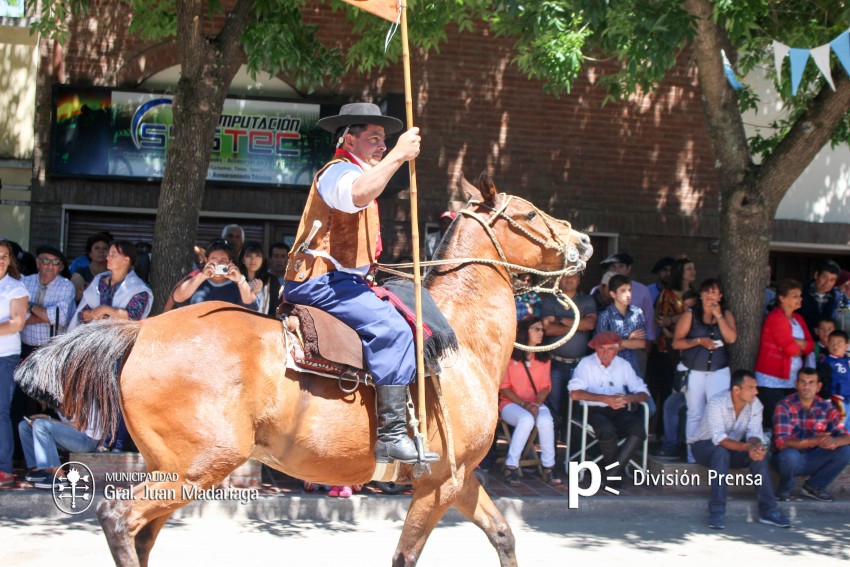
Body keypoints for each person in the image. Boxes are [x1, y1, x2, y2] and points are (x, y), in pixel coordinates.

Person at [281, 102, 435, 464]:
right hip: (320, 280)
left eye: (385, 140)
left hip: (342, 280)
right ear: (348, 139)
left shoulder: (360, 170)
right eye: (374, 138)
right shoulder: (338, 173)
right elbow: (358, 195)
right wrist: (398, 155)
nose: (382, 145)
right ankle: (391, 434)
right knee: (396, 331)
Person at [690, 370, 790, 529]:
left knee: (758, 455)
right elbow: (719, 439)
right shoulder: (717, 402)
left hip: (733, 446)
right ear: (736, 390)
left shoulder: (755, 404)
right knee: (720, 452)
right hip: (704, 446)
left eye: (756, 387)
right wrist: (747, 447)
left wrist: (756, 447)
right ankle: (717, 511)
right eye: (751, 387)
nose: (756, 392)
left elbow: (754, 433)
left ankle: (769, 511)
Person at [569, 332, 650, 485]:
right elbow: (574, 394)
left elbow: (643, 392)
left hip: (619, 409)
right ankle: (613, 474)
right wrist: (605, 399)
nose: (605, 353)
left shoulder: (623, 365)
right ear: (595, 349)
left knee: (638, 429)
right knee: (606, 430)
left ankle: (612, 473)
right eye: (601, 348)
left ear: (618, 349)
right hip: (594, 410)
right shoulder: (586, 364)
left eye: (610, 349)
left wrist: (628, 398)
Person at [675, 279, 737, 461]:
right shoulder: (690, 315)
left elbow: (731, 338)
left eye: (715, 293)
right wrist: (698, 341)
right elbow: (676, 342)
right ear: (701, 295)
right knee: (694, 412)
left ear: (720, 296)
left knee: (716, 412)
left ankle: (712, 452)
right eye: (707, 292)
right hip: (695, 370)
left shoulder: (725, 314)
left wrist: (718, 316)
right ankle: (691, 454)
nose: (711, 296)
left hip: (718, 371)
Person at [498, 317, 562, 487]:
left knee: (546, 420)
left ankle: (549, 467)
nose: (541, 333)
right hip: (511, 404)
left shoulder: (543, 357)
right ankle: (511, 466)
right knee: (525, 420)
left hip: (535, 403)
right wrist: (524, 405)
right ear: (525, 332)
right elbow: (504, 388)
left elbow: (545, 386)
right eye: (536, 329)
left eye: (542, 329)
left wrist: (536, 404)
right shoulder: (510, 357)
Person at [772, 367, 850, 502]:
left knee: (845, 450)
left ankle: (814, 487)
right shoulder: (784, 405)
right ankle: (785, 488)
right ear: (796, 384)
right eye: (802, 382)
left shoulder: (826, 408)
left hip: (813, 457)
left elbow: (846, 436)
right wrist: (816, 441)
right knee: (789, 455)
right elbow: (782, 443)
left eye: (811, 382)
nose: (806, 386)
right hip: (787, 460)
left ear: (818, 386)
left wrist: (833, 441)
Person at [539, 272, 597, 441]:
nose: (569, 279)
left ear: (579, 279)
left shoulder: (587, 300)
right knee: (554, 407)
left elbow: (590, 324)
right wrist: (578, 324)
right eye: (566, 276)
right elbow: (548, 329)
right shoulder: (551, 300)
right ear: (559, 279)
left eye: (573, 276)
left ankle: (573, 449)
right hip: (555, 363)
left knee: (577, 409)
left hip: (579, 365)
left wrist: (563, 320)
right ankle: (552, 451)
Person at [755, 279, 814, 429]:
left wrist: (796, 342)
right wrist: (799, 346)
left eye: (800, 296)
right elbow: (790, 350)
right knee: (778, 418)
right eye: (794, 296)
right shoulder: (776, 317)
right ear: (782, 298)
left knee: (789, 419)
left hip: (791, 378)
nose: (799, 299)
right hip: (772, 379)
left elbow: (811, 345)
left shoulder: (798, 318)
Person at [70, 240, 154, 330]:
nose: (107, 258)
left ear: (126, 260)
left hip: (120, 340)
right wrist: (91, 315)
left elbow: (133, 318)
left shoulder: (138, 288)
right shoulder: (98, 282)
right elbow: (82, 314)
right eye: (109, 254)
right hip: (92, 336)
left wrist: (105, 309)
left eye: (113, 255)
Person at [0, 239, 29, 486]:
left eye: (4, 256)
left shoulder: (15, 287)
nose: (0, 261)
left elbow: (17, 323)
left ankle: (4, 469)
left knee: (0, 414)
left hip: (4, 357)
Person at [599, 252, 656, 375]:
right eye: (613, 267)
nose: (616, 270)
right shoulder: (598, 290)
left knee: (635, 389)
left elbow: (649, 323)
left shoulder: (642, 291)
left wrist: (644, 353)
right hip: (607, 353)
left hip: (636, 353)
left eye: (620, 266)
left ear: (628, 269)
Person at [17, 409, 103, 489]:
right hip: (71, 438)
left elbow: (81, 425)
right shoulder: (59, 397)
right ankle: (41, 470)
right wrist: (47, 418)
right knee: (24, 426)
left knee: (40, 425)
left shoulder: (82, 396)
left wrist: (49, 420)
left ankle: (59, 477)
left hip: (87, 440)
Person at [20, 245, 76, 358]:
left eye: (55, 262)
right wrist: (47, 316)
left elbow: (61, 318)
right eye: (46, 261)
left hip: (52, 350)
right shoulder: (24, 282)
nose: (50, 266)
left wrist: (30, 307)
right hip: (25, 348)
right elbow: (16, 316)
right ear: (37, 263)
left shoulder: (66, 286)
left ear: (60, 266)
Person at [172, 239, 258, 310]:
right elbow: (177, 298)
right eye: (214, 259)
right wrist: (203, 275)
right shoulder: (196, 280)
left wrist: (240, 280)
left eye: (223, 260)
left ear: (230, 262)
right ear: (206, 260)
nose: (218, 263)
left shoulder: (239, 285)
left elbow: (252, 307)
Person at [596, 274, 646, 378]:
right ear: (613, 294)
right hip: (611, 372)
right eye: (623, 291)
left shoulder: (637, 313)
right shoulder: (605, 316)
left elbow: (641, 343)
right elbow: (602, 349)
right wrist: (630, 340)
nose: (628, 294)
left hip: (633, 370)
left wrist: (616, 342)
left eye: (629, 290)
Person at [798, 259, 844, 334]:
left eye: (832, 280)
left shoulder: (839, 297)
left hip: (828, 341)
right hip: (804, 338)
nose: (827, 283)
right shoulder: (799, 293)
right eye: (824, 277)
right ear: (816, 275)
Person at [820, 330, 850, 429]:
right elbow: (824, 383)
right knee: (837, 429)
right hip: (837, 401)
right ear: (828, 345)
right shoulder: (827, 363)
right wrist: (827, 401)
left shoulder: (848, 360)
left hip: (848, 400)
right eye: (832, 343)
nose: (835, 346)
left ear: (847, 345)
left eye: (839, 343)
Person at [70, 232, 111, 302]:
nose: (101, 251)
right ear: (90, 254)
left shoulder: (114, 273)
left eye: (105, 248)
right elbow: (75, 296)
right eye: (97, 248)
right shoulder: (79, 274)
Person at [239, 240, 270, 313]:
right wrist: (252, 294)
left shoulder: (271, 281)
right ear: (243, 259)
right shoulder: (237, 281)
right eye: (249, 256)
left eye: (257, 256)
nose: (253, 260)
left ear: (263, 259)